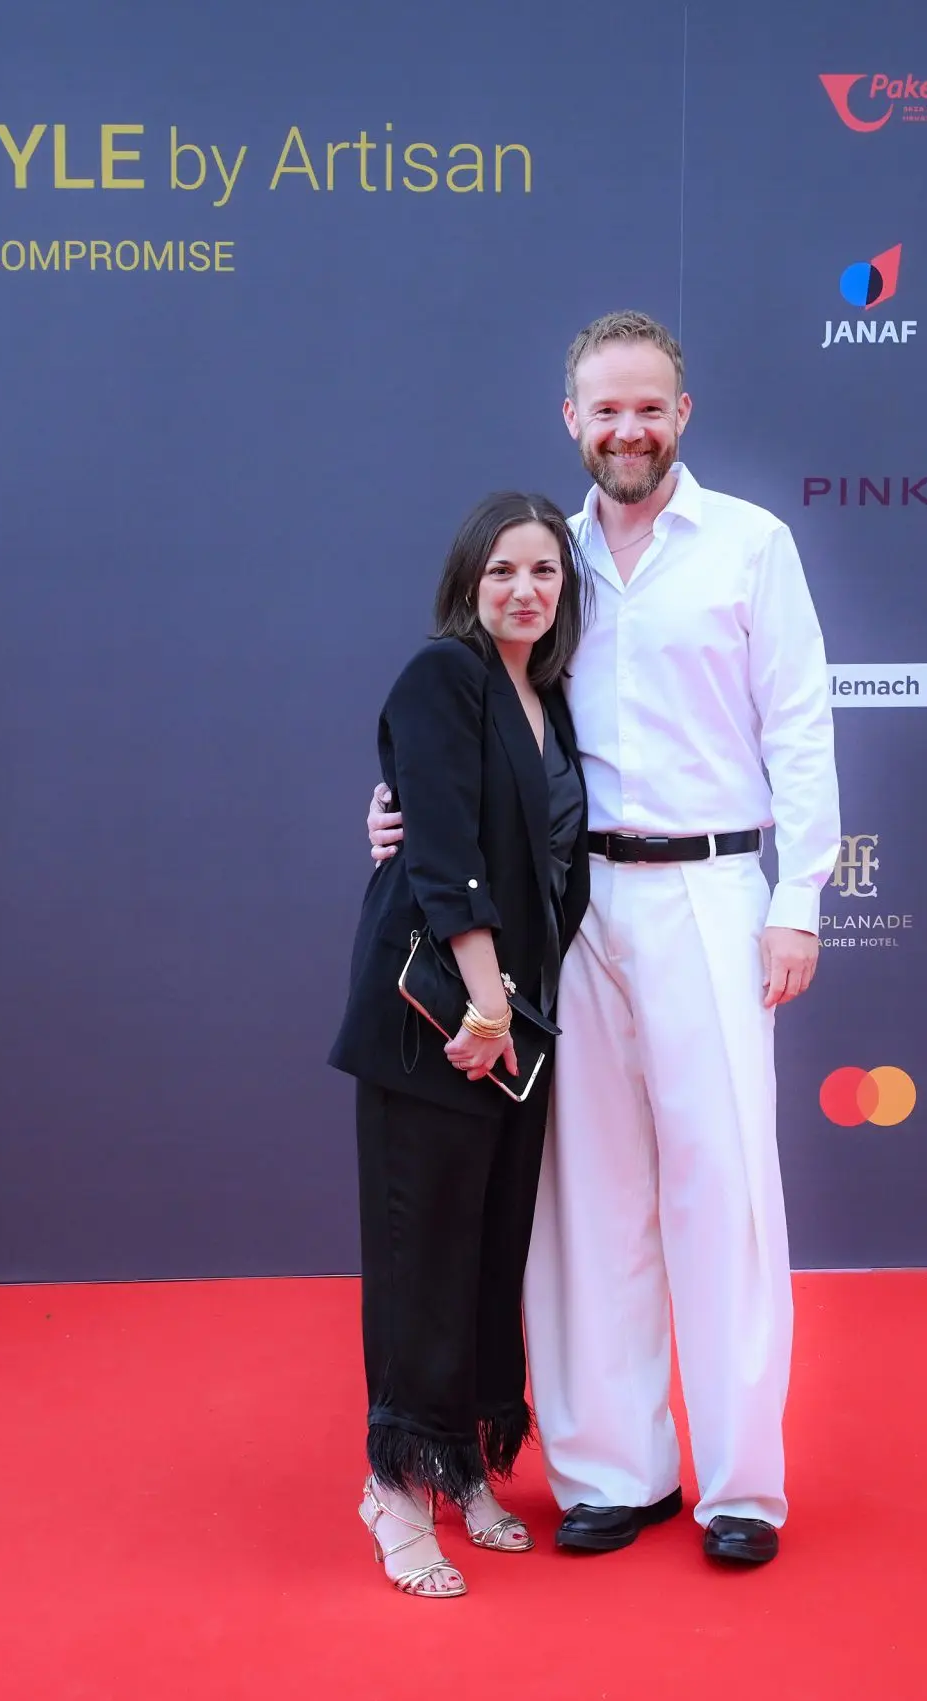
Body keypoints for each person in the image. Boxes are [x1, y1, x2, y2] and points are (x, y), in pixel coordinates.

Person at [370, 312, 838, 1567]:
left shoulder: (750, 544)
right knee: (587, 1198)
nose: (627, 430)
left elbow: (800, 725)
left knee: (723, 1192)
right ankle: (614, 1472)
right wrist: (396, 808)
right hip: (568, 911)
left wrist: (797, 901)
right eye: (606, 410)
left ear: (682, 415)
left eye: (648, 408)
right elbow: (474, 710)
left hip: (711, 892)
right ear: (570, 419)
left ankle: (740, 1489)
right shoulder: (547, 555)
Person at [329, 491, 591, 1599]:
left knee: (487, 1258)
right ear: (466, 584)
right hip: (438, 1022)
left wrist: (510, 1020)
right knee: (420, 1262)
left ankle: (461, 1465)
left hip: (515, 1029)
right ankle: (395, 1488)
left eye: (543, 571)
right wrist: (485, 1009)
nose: (524, 590)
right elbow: (440, 852)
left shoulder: (551, 700)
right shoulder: (443, 677)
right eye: (501, 572)